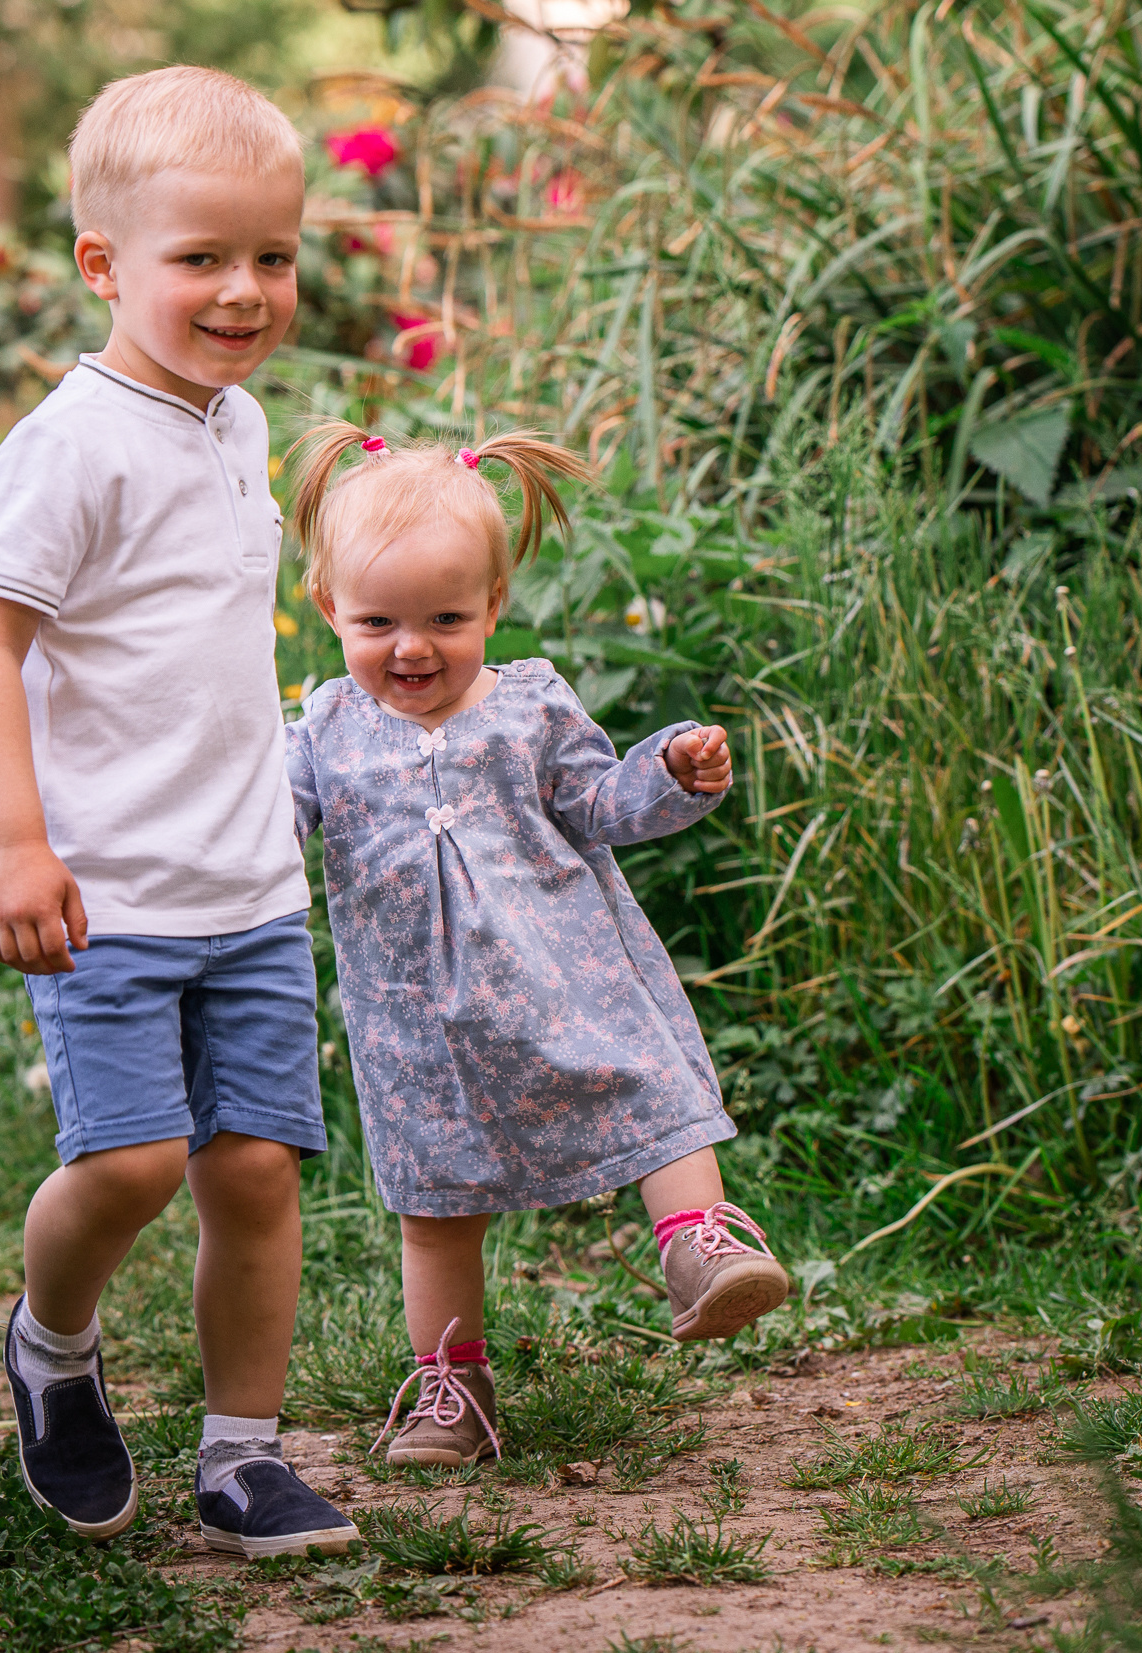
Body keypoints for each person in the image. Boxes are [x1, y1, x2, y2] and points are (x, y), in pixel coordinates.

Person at [0, 66, 358, 1558]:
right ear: (102, 266)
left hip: (248, 886)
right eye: (202, 258)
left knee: (251, 1170)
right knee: (125, 1164)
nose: (245, 290)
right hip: (107, 890)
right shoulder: (70, 445)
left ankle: (243, 1457)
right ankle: (50, 1346)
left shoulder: (236, 425)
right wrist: (15, 841)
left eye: (273, 256)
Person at [281, 422, 792, 1470]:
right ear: (327, 605)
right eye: (377, 621)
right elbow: (266, 828)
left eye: (445, 618)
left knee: (648, 1094)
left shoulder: (530, 704)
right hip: (419, 1027)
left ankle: (699, 1246)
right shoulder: (322, 731)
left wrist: (668, 772)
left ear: (493, 604)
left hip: (567, 979)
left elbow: (600, 803)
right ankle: (450, 1385)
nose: (411, 648)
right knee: (435, 1208)